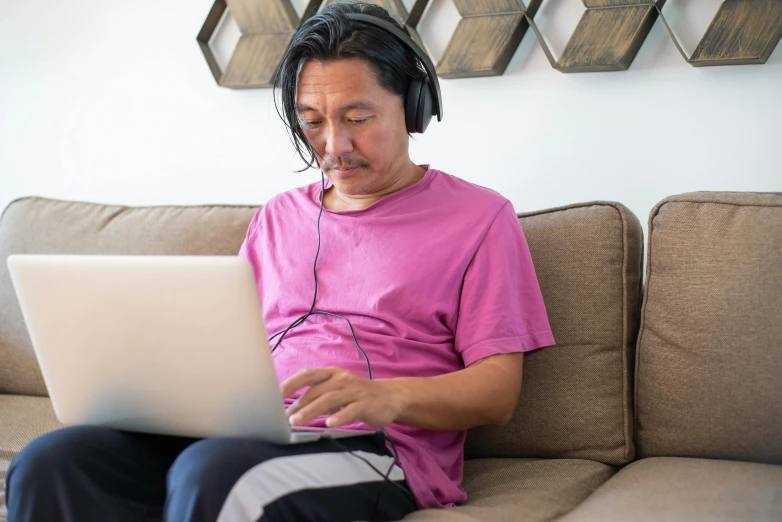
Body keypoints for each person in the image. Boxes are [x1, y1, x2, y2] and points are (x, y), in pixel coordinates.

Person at [5, 2, 554, 521]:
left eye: (357, 117)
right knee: (50, 463)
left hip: (373, 446)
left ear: (413, 106)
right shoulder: (277, 217)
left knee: (217, 474)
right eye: (312, 121)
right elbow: (223, 346)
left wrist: (387, 395)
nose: (334, 145)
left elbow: (498, 391)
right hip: (242, 432)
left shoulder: (480, 218)